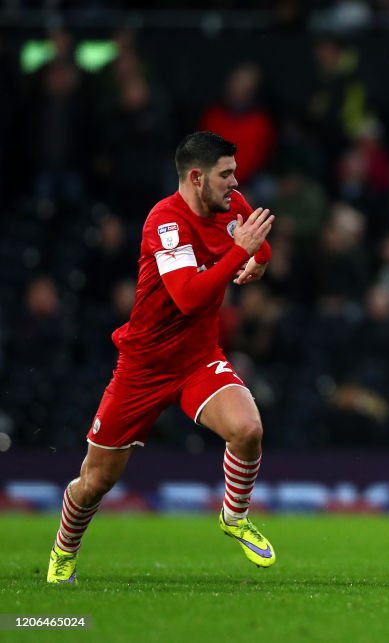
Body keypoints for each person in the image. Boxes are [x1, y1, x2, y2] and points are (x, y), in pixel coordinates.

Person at [46, 131, 277, 583]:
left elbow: (258, 243)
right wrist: (240, 254)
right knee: (95, 482)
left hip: (197, 359)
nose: (235, 183)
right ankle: (64, 550)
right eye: (225, 174)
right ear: (197, 178)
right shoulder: (165, 222)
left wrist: (260, 260)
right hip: (144, 367)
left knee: (248, 429)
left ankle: (234, 516)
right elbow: (188, 297)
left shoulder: (231, 203)